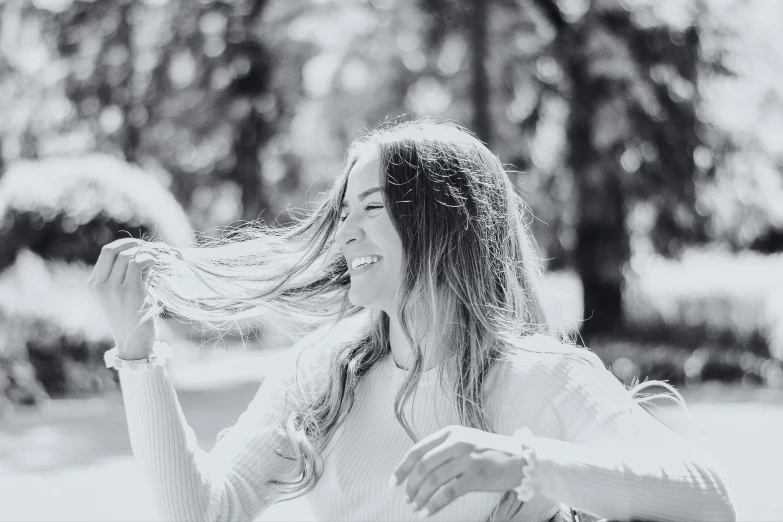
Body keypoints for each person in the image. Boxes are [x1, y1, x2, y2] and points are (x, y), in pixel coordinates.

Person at [90, 119, 736, 522]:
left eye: (369, 208)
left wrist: (521, 462)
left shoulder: (543, 378)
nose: (344, 233)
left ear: (442, 223)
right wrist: (140, 356)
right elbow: (201, 513)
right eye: (341, 213)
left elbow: (707, 498)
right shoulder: (318, 373)